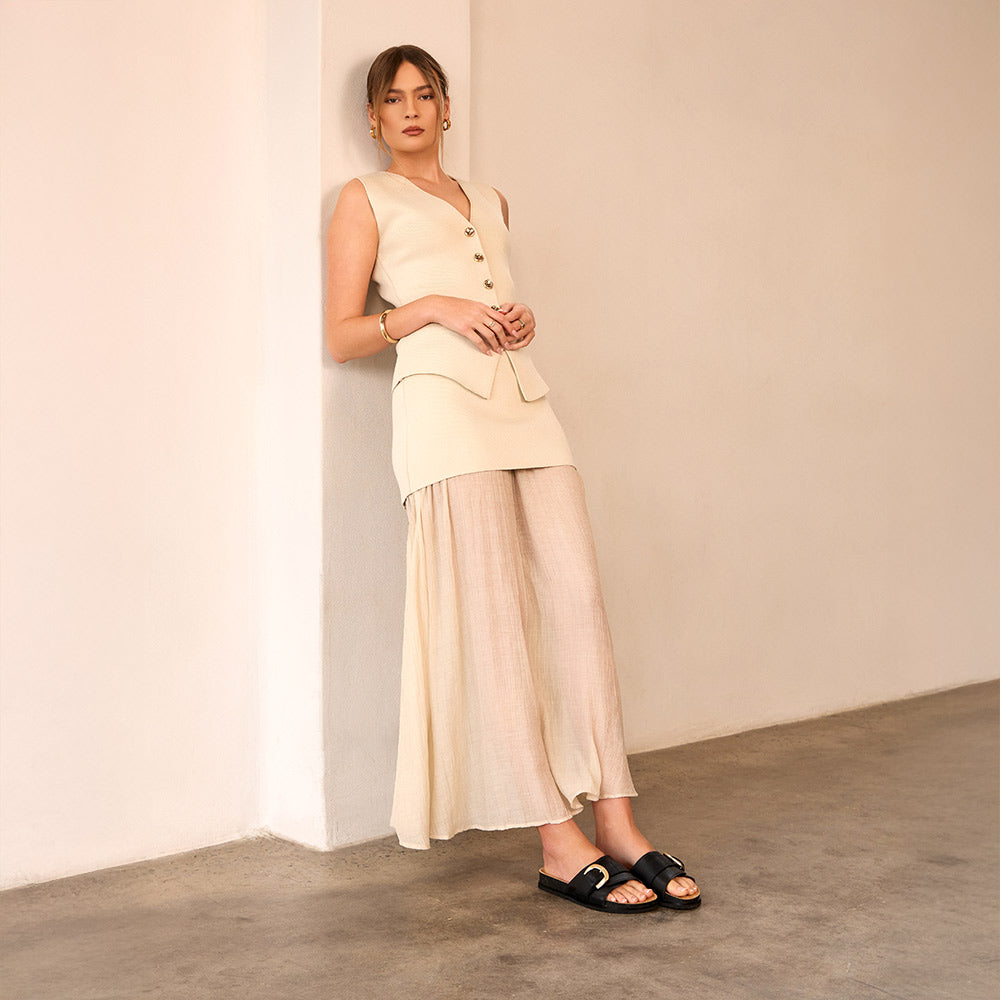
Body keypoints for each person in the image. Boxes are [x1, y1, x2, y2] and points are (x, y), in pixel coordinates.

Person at [324, 44, 701, 914]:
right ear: (374, 119)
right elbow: (342, 335)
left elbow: (490, 289)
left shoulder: (490, 199)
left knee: (577, 601)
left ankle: (617, 818)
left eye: (425, 94)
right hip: (443, 417)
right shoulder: (364, 199)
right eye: (393, 99)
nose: (410, 110)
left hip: (524, 402)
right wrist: (429, 309)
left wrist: (514, 318)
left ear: (446, 108)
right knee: (493, 619)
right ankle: (557, 840)